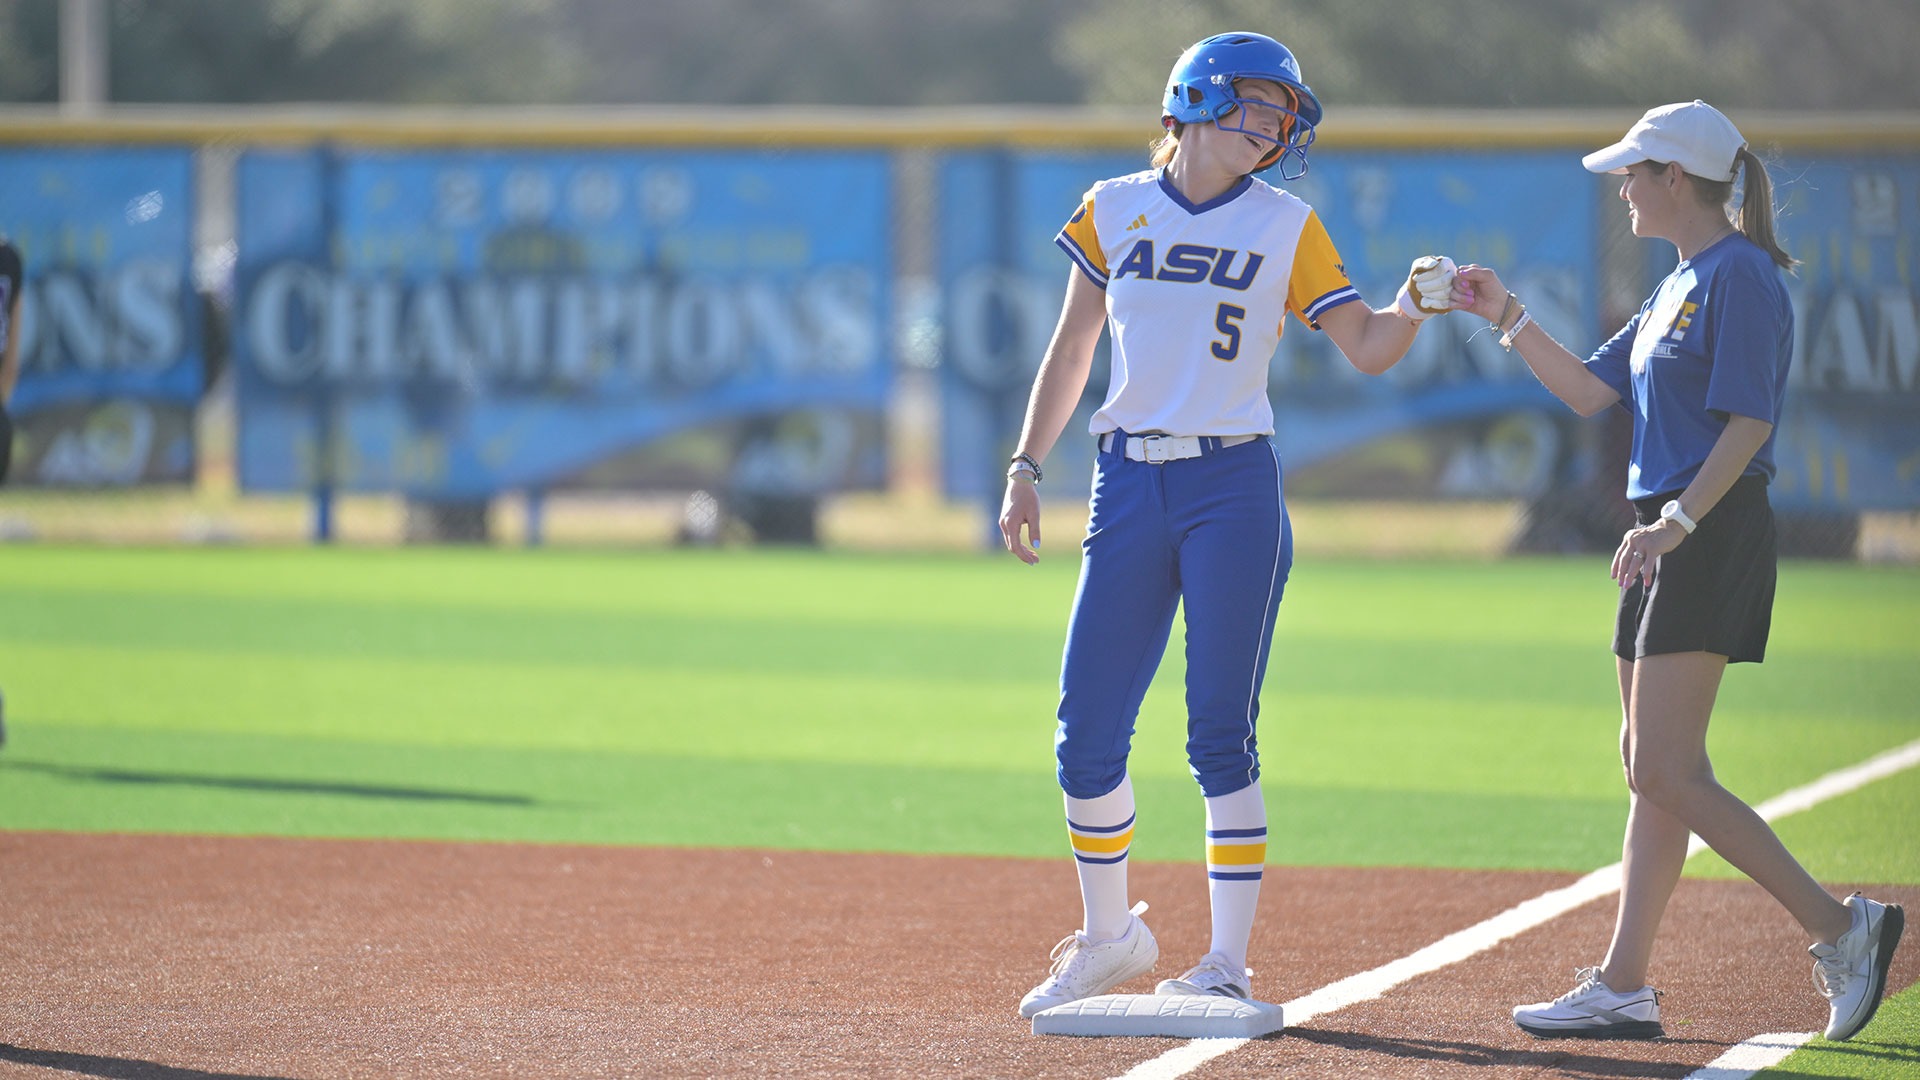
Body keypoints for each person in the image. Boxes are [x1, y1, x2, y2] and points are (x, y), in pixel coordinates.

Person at [999, 31, 1457, 1019]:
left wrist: (1416, 305)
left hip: (1232, 489)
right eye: (1259, 102)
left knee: (1218, 734)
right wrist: (1026, 465)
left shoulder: (1289, 222)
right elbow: (1072, 348)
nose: (1276, 124)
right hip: (1125, 485)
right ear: (1195, 96)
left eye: (1285, 113)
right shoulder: (1113, 206)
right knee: (1084, 734)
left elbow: (1368, 346)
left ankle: (1226, 962)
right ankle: (1112, 938)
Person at [1452, 101, 1903, 1043]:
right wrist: (1505, 314)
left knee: (1664, 766)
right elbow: (1585, 390)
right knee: (1648, 769)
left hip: (1705, 526)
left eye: (1633, 171)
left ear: (1672, 179)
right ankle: (1623, 985)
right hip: (1666, 530)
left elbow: (1749, 425)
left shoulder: (1740, 276)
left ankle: (1841, 928)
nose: (1621, 187)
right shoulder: (1681, 280)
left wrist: (1678, 522)